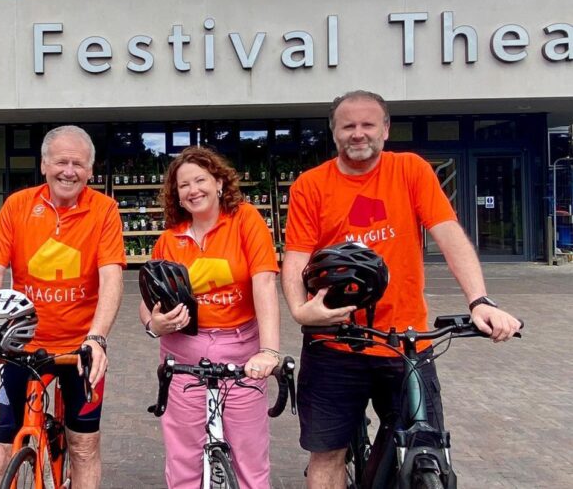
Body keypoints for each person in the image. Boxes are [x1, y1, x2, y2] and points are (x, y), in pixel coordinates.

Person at [281, 90, 522, 489]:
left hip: (405, 341)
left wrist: (480, 301)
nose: (358, 134)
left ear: (386, 129)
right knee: (327, 454)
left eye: (367, 125)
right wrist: (299, 310)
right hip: (335, 341)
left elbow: (449, 236)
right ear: (334, 132)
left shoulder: (410, 170)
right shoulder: (311, 185)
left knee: (423, 444)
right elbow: (295, 257)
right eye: (348, 126)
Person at [0, 125, 125, 489]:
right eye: (60, 161)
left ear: (90, 169)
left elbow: (112, 278)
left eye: (78, 163)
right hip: (23, 346)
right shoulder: (18, 206)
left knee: (83, 447)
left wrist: (97, 338)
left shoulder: (104, 210)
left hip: (78, 347)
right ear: (43, 165)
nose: (69, 171)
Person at [140, 146, 281, 489]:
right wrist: (152, 325)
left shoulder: (245, 220)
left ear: (219, 182)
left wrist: (270, 351)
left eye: (200, 180)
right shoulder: (169, 239)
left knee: (250, 457)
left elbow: (264, 281)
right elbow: (148, 299)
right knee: (184, 459)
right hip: (182, 352)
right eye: (183, 185)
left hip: (241, 349)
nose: (193, 190)